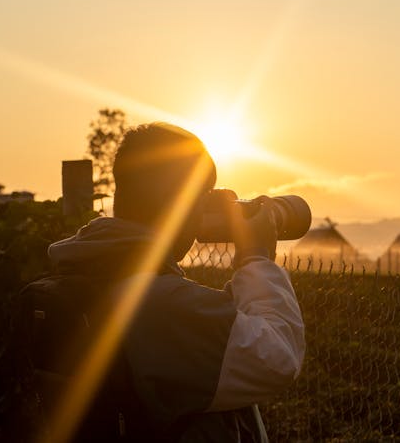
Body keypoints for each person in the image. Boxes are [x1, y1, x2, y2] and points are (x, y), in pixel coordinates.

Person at [45, 122, 305, 441]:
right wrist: (256, 256)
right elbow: (278, 356)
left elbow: (212, 331)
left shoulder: (92, 272)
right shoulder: (155, 302)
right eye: (201, 199)